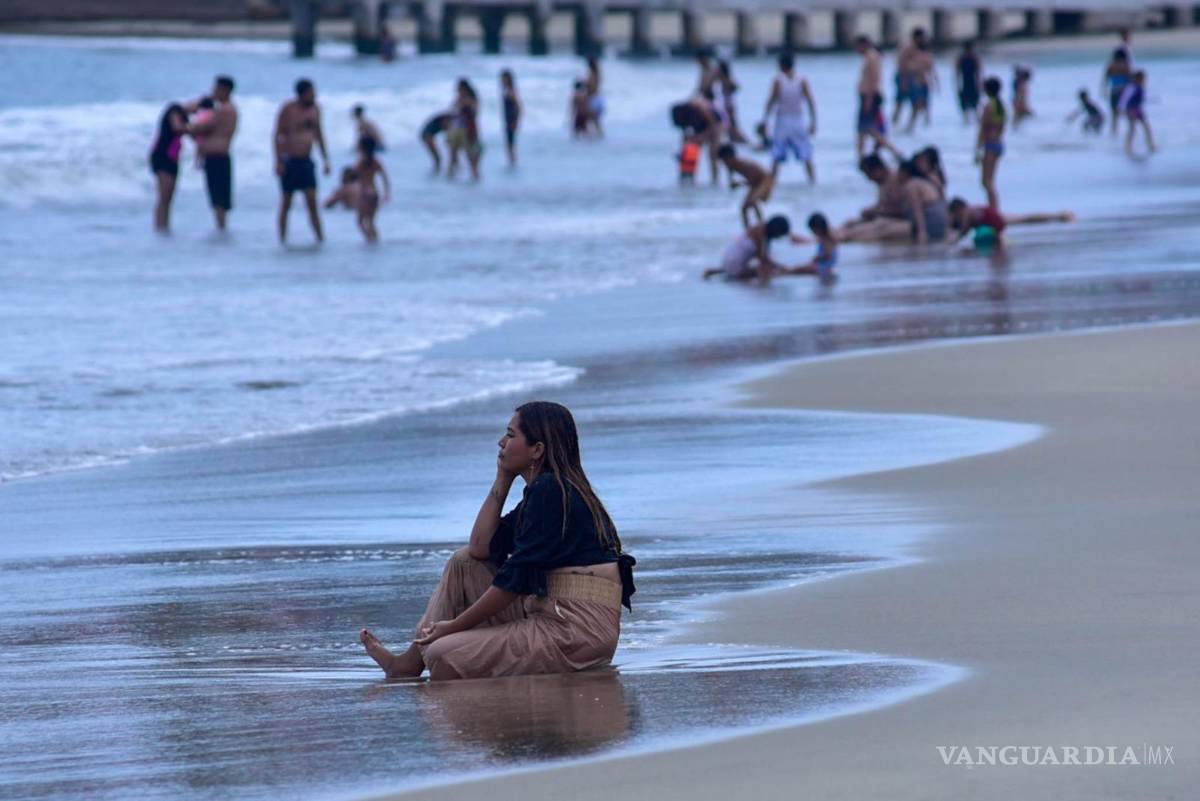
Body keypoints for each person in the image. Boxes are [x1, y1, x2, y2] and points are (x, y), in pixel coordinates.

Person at [359, 401, 636, 681]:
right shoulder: (545, 491)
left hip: (576, 633)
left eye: (511, 435)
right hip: (553, 613)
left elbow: (513, 581)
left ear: (537, 450)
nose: (501, 442)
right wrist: (503, 478)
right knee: (463, 562)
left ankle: (422, 654)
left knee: (442, 654)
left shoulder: (552, 492)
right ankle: (408, 663)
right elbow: (481, 547)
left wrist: (453, 626)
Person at [274, 78, 331, 244]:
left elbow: (319, 134)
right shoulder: (288, 109)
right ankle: (282, 240)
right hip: (289, 161)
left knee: (312, 201)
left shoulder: (316, 109)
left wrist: (325, 159)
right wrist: (278, 161)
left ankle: (320, 239)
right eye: (311, 93)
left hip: (306, 161)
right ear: (302, 94)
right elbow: (277, 135)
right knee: (286, 202)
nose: (314, 96)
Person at [186, 75, 237, 232]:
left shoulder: (225, 110)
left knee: (219, 200)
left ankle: (221, 229)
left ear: (224, 90)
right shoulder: (226, 109)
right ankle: (221, 229)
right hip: (217, 156)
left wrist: (186, 125)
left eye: (215, 88)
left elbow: (203, 127)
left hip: (217, 157)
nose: (213, 91)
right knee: (219, 198)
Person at [761, 51, 817, 184]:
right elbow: (810, 102)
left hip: (784, 122)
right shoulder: (802, 79)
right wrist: (813, 122)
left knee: (777, 156)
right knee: (805, 155)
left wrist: (765, 120)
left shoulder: (778, 80)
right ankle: (812, 181)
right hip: (797, 121)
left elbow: (771, 101)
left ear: (781, 65)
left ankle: (771, 183)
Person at [835, 154, 911, 242]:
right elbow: (884, 205)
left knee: (872, 227)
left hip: (901, 222)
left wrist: (875, 212)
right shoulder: (882, 183)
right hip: (885, 218)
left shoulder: (895, 180)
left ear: (878, 170)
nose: (869, 179)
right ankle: (833, 234)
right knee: (850, 223)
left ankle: (842, 237)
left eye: (869, 174)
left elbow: (898, 210)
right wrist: (870, 211)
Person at [948, 196, 1075, 246]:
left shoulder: (966, 213)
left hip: (994, 223)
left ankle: (1059, 216)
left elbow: (963, 232)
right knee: (1024, 219)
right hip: (994, 217)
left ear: (958, 210)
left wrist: (950, 243)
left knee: (1023, 220)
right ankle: (1058, 216)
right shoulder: (972, 209)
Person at [702, 216, 792, 283]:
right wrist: (782, 268)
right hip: (735, 262)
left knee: (762, 269)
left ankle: (718, 271)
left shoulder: (760, 228)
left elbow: (763, 258)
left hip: (729, 257)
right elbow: (762, 259)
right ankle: (736, 274)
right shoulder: (760, 233)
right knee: (767, 273)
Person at [853, 35, 900, 158]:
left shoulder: (871, 57)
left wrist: (868, 100)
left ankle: (894, 151)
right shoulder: (871, 57)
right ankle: (861, 157)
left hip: (870, 97)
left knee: (868, 129)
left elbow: (873, 80)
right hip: (869, 96)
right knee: (862, 130)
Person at [149, 103, 189, 232]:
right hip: (163, 158)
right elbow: (177, 127)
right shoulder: (174, 112)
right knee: (163, 197)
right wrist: (193, 127)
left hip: (172, 159)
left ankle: (165, 226)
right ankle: (160, 227)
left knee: (168, 199)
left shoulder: (182, 114)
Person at [717, 143, 773, 229]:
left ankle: (763, 227)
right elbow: (731, 175)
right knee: (744, 208)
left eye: (724, 161)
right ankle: (747, 230)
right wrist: (732, 183)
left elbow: (752, 181)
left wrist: (739, 184)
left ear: (730, 158)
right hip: (756, 182)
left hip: (764, 180)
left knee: (753, 201)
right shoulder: (730, 165)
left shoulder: (743, 164)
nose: (724, 164)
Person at [350, 136, 390, 243]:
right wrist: (387, 193)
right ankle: (375, 241)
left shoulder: (360, 163)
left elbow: (352, 177)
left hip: (364, 194)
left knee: (360, 222)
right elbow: (385, 177)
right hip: (374, 193)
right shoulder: (376, 162)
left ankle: (369, 240)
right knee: (371, 222)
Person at [899, 159, 949, 244]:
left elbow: (917, 208)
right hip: (941, 220)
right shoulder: (923, 182)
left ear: (904, 173)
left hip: (933, 219)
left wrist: (922, 232)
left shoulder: (911, 185)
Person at [894, 28, 935, 132]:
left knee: (917, 103)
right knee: (901, 102)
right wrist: (903, 80)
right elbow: (901, 63)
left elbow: (926, 66)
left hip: (915, 78)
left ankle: (910, 126)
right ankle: (895, 124)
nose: (923, 40)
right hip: (906, 76)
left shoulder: (920, 49)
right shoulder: (908, 47)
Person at [783, 213, 838, 284]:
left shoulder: (826, 239)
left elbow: (828, 255)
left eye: (813, 230)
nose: (813, 233)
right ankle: (789, 270)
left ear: (818, 228)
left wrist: (817, 258)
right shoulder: (826, 236)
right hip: (825, 266)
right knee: (802, 268)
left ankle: (788, 271)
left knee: (802, 269)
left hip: (823, 266)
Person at [976, 76, 1005, 210]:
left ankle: (994, 208)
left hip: (989, 145)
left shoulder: (988, 106)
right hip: (999, 143)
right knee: (989, 181)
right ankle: (993, 207)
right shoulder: (1001, 105)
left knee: (986, 181)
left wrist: (977, 148)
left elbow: (983, 128)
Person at [447, 78, 482, 180]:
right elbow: (452, 109)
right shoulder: (459, 98)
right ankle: (452, 174)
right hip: (458, 128)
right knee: (453, 152)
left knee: (470, 153)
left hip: (468, 128)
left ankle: (474, 174)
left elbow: (475, 113)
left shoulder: (471, 99)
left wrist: (466, 104)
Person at [1119, 70, 1156, 158]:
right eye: (1143, 78)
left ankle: (1150, 145)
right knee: (1132, 128)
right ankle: (1127, 147)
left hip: (1138, 109)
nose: (1145, 80)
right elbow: (1124, 98)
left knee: (1146, 127)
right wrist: (1121, 109)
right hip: (1131, 109)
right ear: (1138, 78)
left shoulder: (1140, 87)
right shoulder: (1132, 87)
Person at [715, 60, 747, 143]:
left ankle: (742, 140)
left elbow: (736, 87)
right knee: (731, 125)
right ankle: (738, 140)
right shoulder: (724, 80)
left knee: (732, 125)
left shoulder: (726, 80)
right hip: (727, 105)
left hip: (728, 105)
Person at [1102, 49, 1131, 136]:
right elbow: (1131, 80)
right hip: (1123, 92)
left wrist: (1104, 91)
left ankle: (1114, 134)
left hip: (1114, 91)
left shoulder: (1110, 66)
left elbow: (1105, 80)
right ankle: (1130, 132)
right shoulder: (1125, 66)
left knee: (1114, 116)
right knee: (1128, 114)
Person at [956, 40, 982, 123]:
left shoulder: (971, 58)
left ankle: (968, 120)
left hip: (968, 82)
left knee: (972, 103)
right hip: (968, 82)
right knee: (969, 103)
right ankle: (969, 120)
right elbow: (979, 72)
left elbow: (957, 73)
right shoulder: (966, 58)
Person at [500, 69, 521, 167]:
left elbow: (518, 106)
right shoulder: (506, 90)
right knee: (509, 143)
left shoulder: (510, 91)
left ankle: (512, 162)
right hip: (508, 120)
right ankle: (511, 161)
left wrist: (516, 121)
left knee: (510, 143)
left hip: (511, 120)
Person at [585, 56, 605, 137]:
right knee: (595, 121)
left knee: (591, 120)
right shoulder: (598, 73)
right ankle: (598, 136)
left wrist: (585, 85)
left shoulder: (591, 74)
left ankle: (594, 137)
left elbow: (591, 87)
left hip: (593, 98)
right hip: (599, 98)